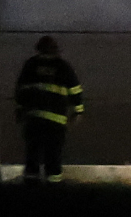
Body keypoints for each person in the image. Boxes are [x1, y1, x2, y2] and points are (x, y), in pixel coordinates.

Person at [15, 35, 83, 184]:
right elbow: (75, 90)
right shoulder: (63, 66)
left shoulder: (31, 65)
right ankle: (53, 182)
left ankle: (31, 182)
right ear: (55, 50)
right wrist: (78, 111)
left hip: (34, 118)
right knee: (54, 152)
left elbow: (21, 90)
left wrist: (20, 110)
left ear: (38, 49)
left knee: (32, 152)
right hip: (56, 119)